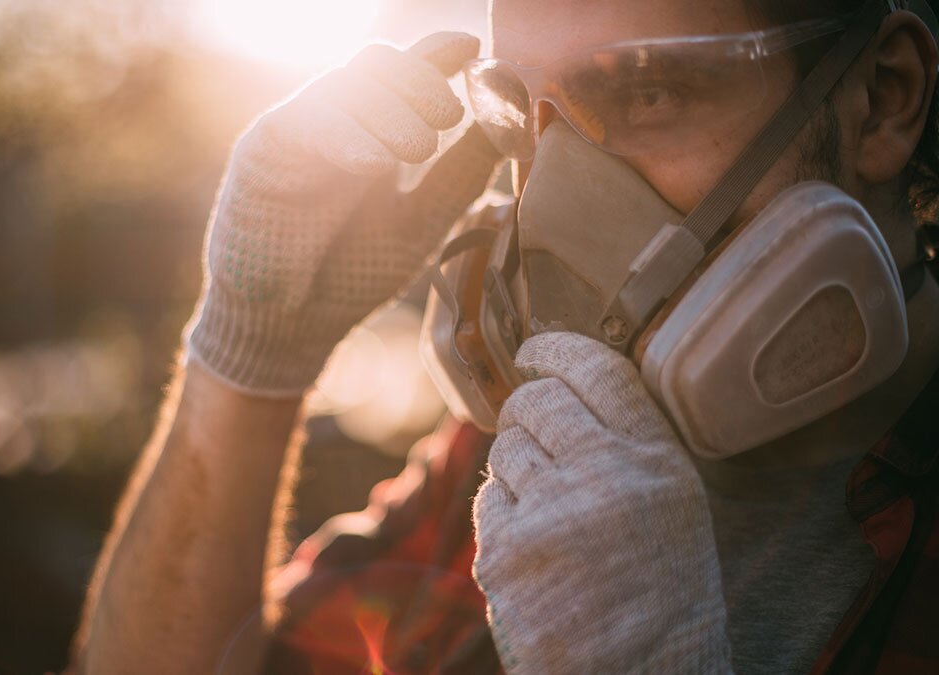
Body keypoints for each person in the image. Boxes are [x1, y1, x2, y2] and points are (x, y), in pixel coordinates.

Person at [68, 0, 939, 672]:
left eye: (648, 92)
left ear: (883, 100)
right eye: (523, 114)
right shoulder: (502, 474)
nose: (548, 200)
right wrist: (248, 362)